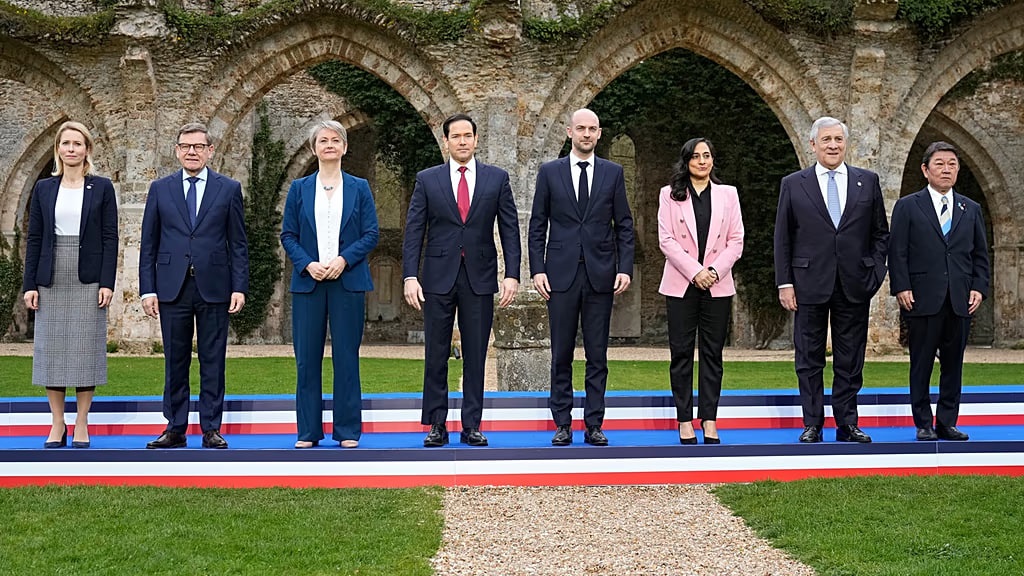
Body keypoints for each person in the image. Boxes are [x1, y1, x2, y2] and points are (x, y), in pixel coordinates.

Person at [402, 113, 521, 447]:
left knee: (476, 353)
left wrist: (512, 275)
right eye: (456, 136)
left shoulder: (497, 179)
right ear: (446, 141)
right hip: (437, 278)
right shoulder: (428, 179)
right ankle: (436, 424)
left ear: (476, 139)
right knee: (436, 353)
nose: (463, 141)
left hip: (479, 278)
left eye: (468, 135)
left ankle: (472, 425)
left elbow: (510, 229)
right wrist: (410, 275)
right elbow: (414, 230)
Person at [773, 116, 889, 444]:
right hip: (807, 282)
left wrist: (875, 272)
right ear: (813, 145)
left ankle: (847, 423)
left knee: (850, 357)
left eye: (838, 139)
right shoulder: (794, 184)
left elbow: (881, 233)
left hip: (854, 283)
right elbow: (783, 237)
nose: (833, 145)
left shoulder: (867, 181)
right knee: (808, 357)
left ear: (846, 144)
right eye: (826, 140)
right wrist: (785, 283)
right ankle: (812, 423)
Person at [529, 108, 635, 447]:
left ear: (599, 133)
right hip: (559, 276)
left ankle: (594, 424)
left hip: (600, 275)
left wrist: (624, 267)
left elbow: (625, 225)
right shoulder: (550, 172)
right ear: (569, 131)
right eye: (581, 128)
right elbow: (537, 225)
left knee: (597, 355)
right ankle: (562, 423)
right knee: (561, 353)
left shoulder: (613, 173)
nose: (586, 134)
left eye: (592, 129)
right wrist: (537, 269)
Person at [139, 122, 249, 449]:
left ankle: (211, 428)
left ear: (210, 151)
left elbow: (238, 243)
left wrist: (239, 287)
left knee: (213, 360)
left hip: (215, 286)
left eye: (199, 146)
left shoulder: (229, 189)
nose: (192, 152)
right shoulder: (160, 189)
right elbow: (149, 243)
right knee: (175, 360)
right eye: (186, 146)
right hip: (171, 287)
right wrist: (148, 289)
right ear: (176, 150)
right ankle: (175, 428)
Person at [280, 120, 379, 449]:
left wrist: (343, 260)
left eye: (336, 140)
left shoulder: (359, 187)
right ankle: (308, 432)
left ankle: (347, 430)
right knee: (306, 359)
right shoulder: (299, 189)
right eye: (323, 140)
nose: (329, 145)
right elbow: (288, 235)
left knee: (346, 357)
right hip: (309, 282)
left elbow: (370, 234)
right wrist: (307, 264)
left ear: (344, 147)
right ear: (314, 148)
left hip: (347, 282)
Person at [22, 121, 118, 449]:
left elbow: (110, 237)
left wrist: (107, 282)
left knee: (85, 350)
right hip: (51, 274)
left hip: (88, 276)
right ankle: (57, 422)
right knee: (52, 350)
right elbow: (35, 237)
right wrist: (30, 284)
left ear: (87, 149)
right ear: (58, 149)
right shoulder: (44, 188)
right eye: (66, 143)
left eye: (78, 143)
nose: (72, 149)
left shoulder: (102, 187)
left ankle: (81, 422)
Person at [889, 142, 989, 442]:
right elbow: (897, 252)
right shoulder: (908, 206)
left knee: (953, 365)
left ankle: (947, 422)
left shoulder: (970, 209)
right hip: (921, 297)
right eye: (940, 164)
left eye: (952, 164)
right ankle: (923, 423)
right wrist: (901, 286)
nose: (946, 170)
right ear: (925, 169)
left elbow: (980, 255)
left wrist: (979, 287)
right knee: (921, 364)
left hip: (960, 299)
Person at [657, 138, 744, 445]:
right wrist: (695, 272)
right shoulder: (669, 194)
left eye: (707, 155)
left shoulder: (728, 194)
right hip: (682, 284)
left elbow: (736, 240)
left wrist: (714, 271)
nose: (702, 161)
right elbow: (666, 240)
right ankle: (684, 419)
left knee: (712, 354)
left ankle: (709, 419)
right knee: (681, 353)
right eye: (696, 156)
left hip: (717, 284)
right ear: (687, 161)